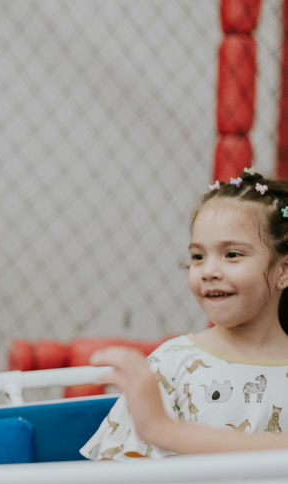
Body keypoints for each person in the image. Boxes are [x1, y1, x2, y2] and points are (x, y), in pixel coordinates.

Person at [82, 167, 288, 459]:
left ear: (284, 270)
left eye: (232, 254)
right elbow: (123, 482)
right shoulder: (170, 365)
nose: (209, 271)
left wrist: (163, 429)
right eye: (198, 257)